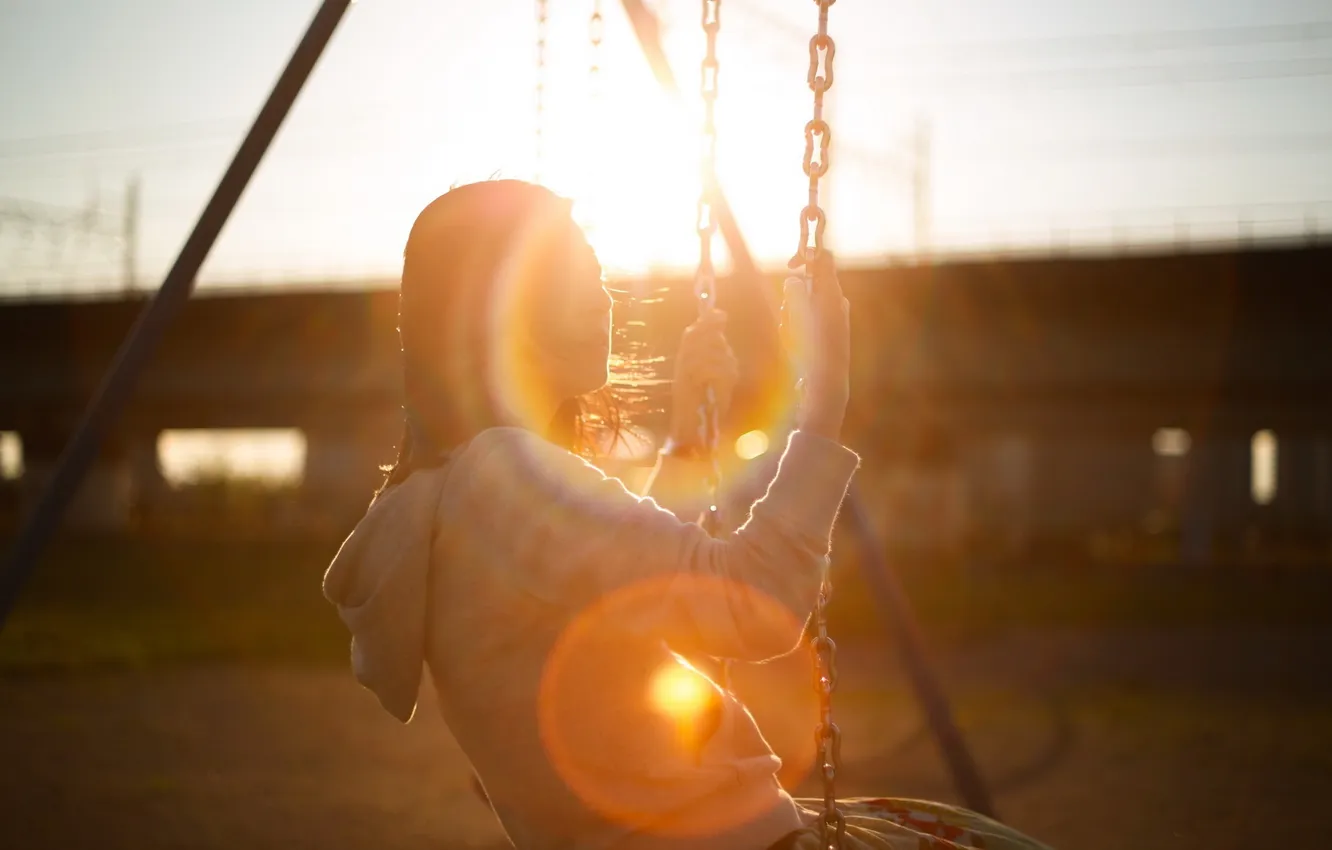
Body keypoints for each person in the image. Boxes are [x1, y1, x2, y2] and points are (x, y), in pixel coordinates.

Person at [323, 180, 1052, 850]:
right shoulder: (502, 479)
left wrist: (685, 443)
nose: (603, 296)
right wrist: (824, 393)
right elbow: (752, 603)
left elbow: (617, 592)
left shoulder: (443, 496)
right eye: (572, 271)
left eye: (599, 271)